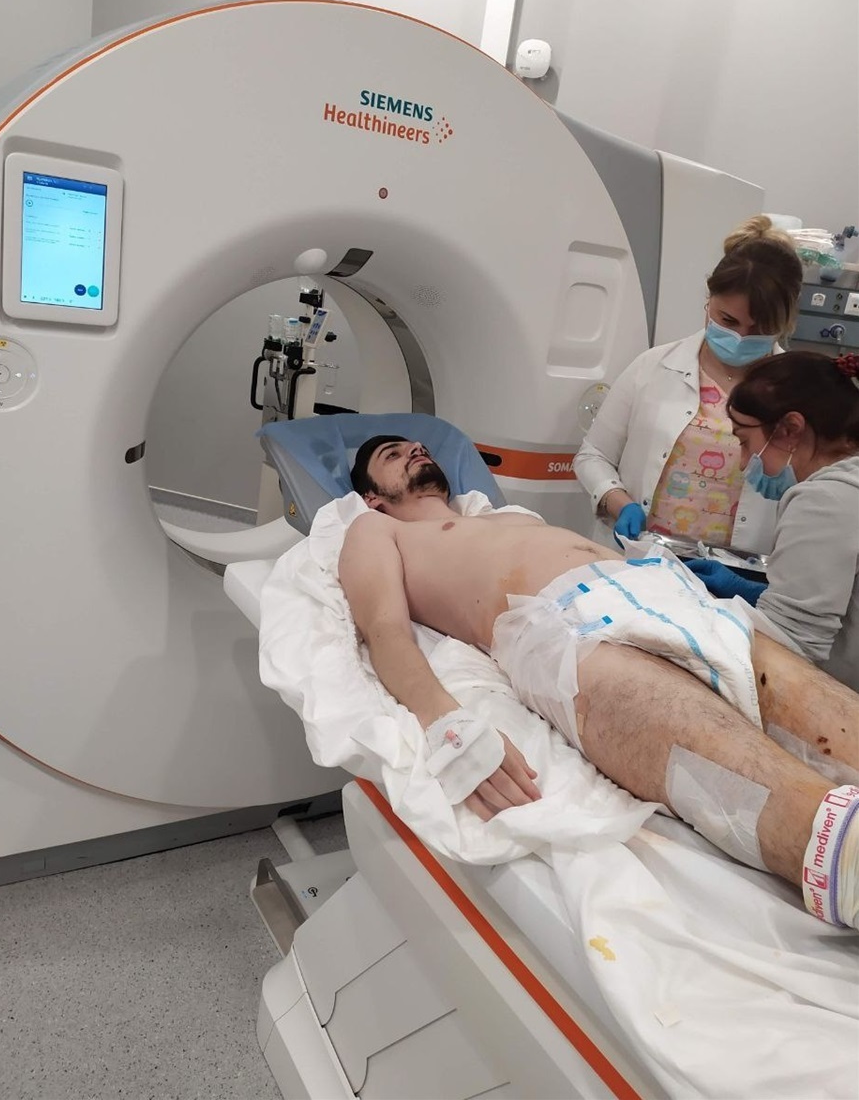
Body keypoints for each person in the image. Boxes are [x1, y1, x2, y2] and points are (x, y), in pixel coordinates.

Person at [338, 434, 859, 930]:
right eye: (393, 452)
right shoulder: (376, 530)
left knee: (838, 724)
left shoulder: (507, 515)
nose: (414, 449)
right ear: (371, 496)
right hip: (559, 628)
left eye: (417, 445)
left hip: (669, 597)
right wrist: (446, 723)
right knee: (801, 812)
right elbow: (383, 629)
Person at [573, 216, 803, 553]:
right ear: (709, 301)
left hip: (737, 579)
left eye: (759, 328)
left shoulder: (801, 393)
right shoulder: (652, 367)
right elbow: (593, 455)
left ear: (785, 322)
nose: (740, 338)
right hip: (640, 559)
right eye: (728, 321)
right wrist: (618, 502)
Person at [686, 351, 859, 690]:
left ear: (790, 430)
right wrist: (759, 595)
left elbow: (794, 650)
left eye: (745, 443)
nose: (743, 463)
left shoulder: (825, 499)